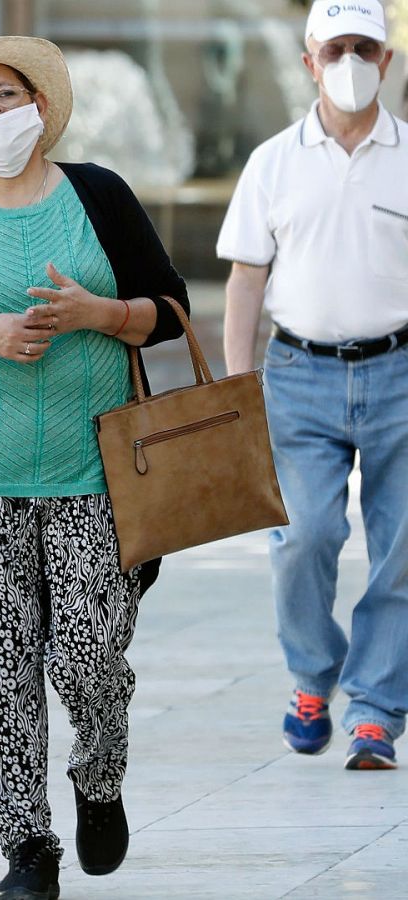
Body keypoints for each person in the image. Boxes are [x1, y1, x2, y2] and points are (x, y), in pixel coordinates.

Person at [0, 37, 188, 900]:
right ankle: (28, 846)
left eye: (3, 95)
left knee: (92, 656)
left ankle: (98, 778)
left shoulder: (97, 194)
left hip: (95, 471)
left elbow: (172, 309)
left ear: (40, 106)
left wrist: (104, 313)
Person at [217, 0, 406, 772]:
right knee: (303, 538)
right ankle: (310, 676)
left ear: (387, 61)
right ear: (308, 61)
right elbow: (244, 280)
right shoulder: (272, 162)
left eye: (365, 48)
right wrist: (236, 388)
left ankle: (375, 709)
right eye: (335, 49)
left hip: (400, 372)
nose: (350, 63)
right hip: (298, 374)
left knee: (402, 549)